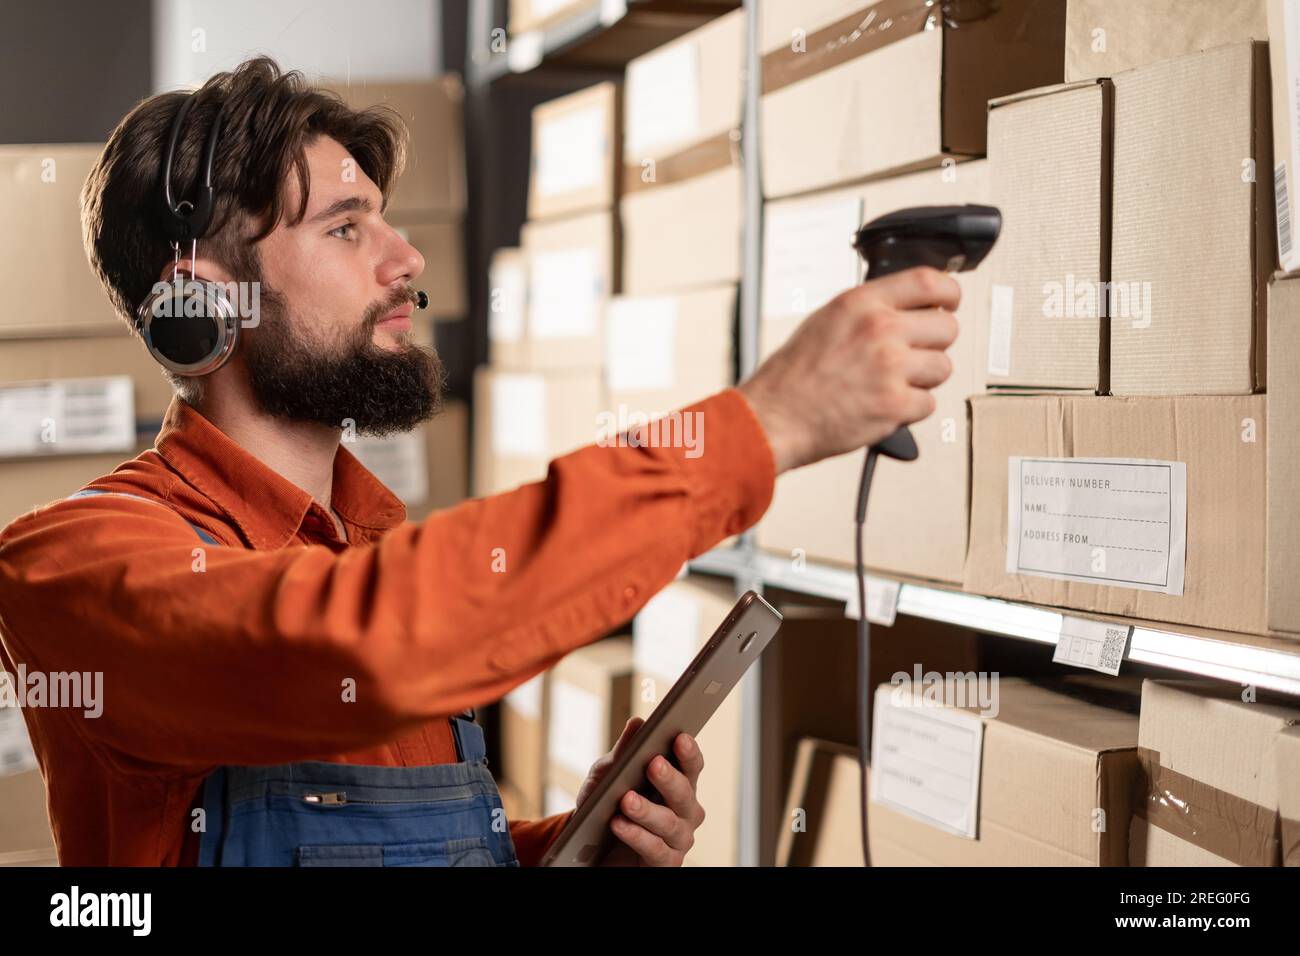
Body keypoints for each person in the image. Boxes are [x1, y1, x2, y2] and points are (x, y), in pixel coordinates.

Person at [0, 58, 960, 867]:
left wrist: (567, 850)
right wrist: (765, 424)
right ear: (206, 300)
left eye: (387, 220)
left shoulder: (373, 547)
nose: (408, 259)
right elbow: (355, 648)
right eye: (345, 228)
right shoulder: (73, 562)